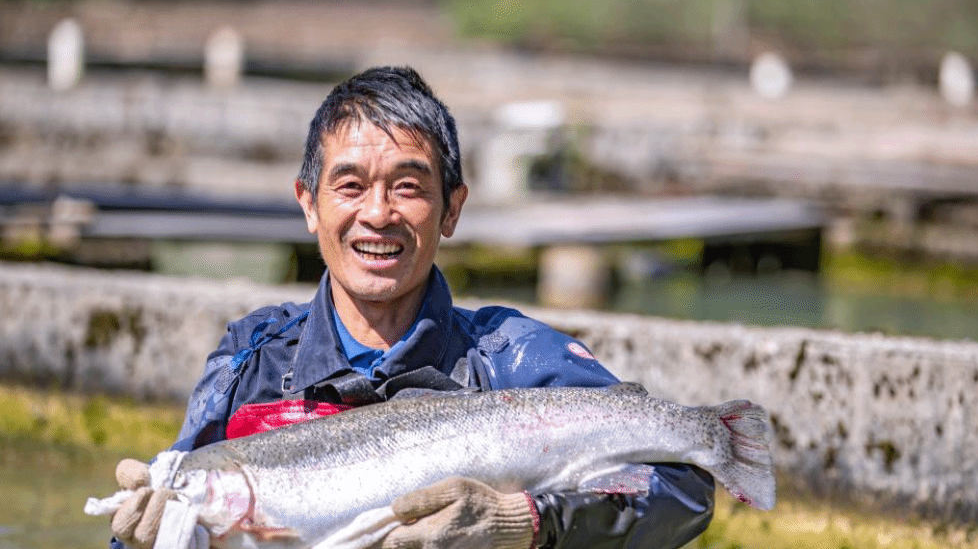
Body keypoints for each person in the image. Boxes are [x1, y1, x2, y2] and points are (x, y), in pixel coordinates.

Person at [110, 66, 715, 549]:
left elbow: (684, 487)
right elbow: (168, 515)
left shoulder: (516, 361)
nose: (377, 214)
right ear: (308, 204)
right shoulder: (250, 364)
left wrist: (527, 522)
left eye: (408, 186)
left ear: (452, 208)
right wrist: (143, 537)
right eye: (349, 185)